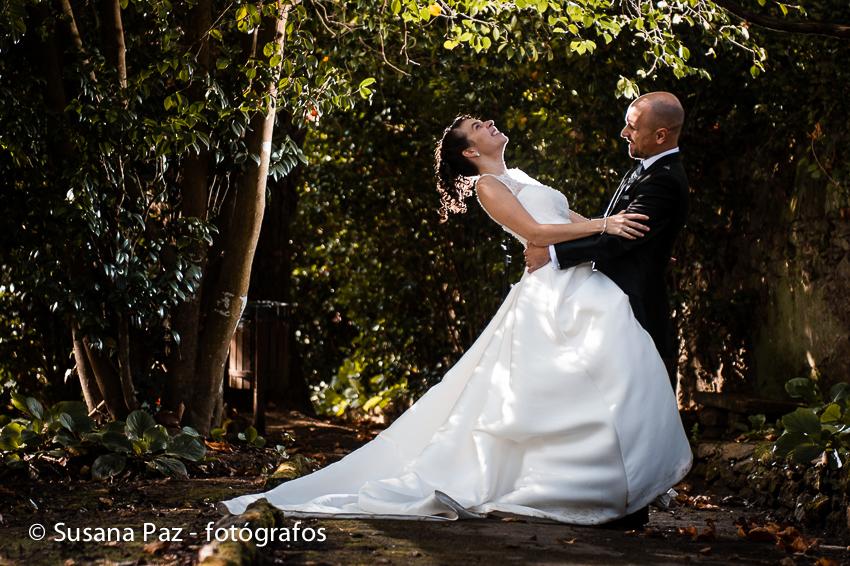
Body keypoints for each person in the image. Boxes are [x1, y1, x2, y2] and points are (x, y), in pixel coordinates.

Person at [217, 115, 692, 528]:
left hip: (579, 284)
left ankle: (615, 480)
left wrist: (610, 234)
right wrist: (603, 227)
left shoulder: (521, 175)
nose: (488, 125)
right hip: (548, 298)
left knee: (608, 378)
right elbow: (534, 233)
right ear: (470, 151)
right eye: (477, 127)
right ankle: (573, 483)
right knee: (555, 393)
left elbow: (571, 221)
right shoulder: (488, 186)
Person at [524, 91, 688, 389]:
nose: (624, 133)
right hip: (615, 296)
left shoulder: (662, 180)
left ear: (661, 135)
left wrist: (553, 253)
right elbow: (614, 228)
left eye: (633, 127)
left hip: (633, 300)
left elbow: (618, 240)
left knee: (635, 388)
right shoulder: (646, 167)